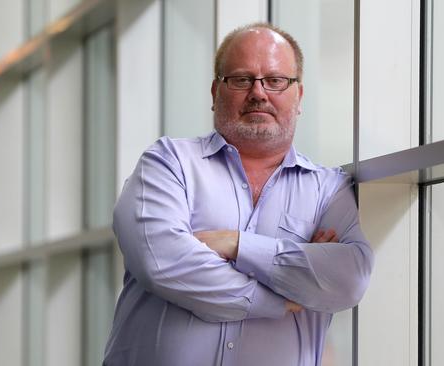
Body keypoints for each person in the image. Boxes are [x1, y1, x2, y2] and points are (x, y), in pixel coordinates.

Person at [103, 22, 373, 366]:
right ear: (216, 92)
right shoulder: (169, 163)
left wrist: (235, 244)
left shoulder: (329, 189)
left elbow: (349, 281)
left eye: (275, 80)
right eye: (242, 79)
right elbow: (160, 263)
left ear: (299, 96)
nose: (259, 93)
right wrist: (285, 293)